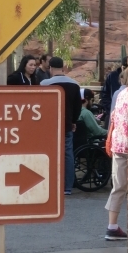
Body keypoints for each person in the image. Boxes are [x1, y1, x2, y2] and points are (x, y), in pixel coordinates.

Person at [40, 56, 82, 196]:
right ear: (63, 67)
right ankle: (67, 187)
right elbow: (78, 107)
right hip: (67, 124)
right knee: (67, 154)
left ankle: (49, 185)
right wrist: (73, 121)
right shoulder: (74, 84)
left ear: (50, 68)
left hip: (48, 126)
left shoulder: (44, 84)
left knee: (48, 154)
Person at [105, 66, 128, 241]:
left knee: (118, 187)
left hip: (118, 145)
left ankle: (112, 226)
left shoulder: (120, 94)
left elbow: (113, 117)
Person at [99, 58, 127, 125]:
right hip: (113, 110)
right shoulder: (112, 76)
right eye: (124, 67)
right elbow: (105, 94)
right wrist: (110, 108)